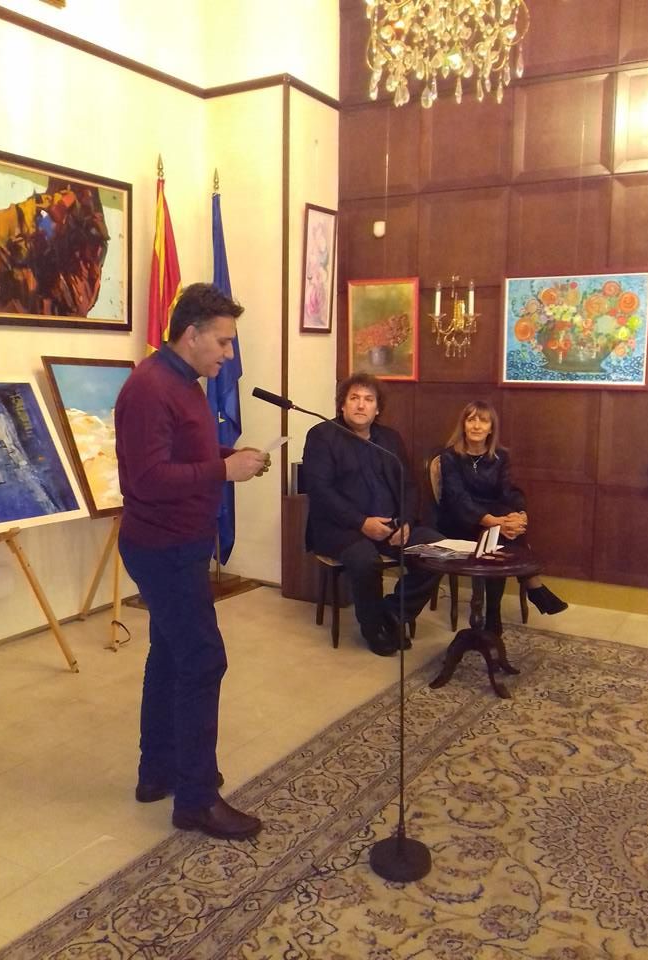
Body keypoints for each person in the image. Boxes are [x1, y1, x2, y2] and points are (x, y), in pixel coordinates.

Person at [115, 282, 269, 839]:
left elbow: (186, 455)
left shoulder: (184, 383)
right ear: (190, 334)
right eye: (223, 342)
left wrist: (230, 456)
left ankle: (158, 771)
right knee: (203, 660)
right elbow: (148, 479)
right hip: (163, 548)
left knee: (171, 655)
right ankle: (196, 801)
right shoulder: (149, 388)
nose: (228, 354)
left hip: (181, 543)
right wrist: (223, 471)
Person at [302, 372, 444, 656]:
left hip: (391, 525)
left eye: (368, 399)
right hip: (341, 529)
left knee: (438, 550)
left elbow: (409, 485)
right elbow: (320, 491)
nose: (360, 405)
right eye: (354, 398)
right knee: (365, 560)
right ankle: (373, 629)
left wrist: (406, 521)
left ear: (377, 408)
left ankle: (391, 613)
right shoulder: (322, 436)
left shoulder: (389, 438)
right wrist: (362, 523)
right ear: (342, 404)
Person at [435, 399, 567, 635]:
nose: (476, 426)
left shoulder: (500, 456)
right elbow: (457, 499)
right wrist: (495, 522)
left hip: (494, 517)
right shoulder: (450, 457)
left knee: (504, 533)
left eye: (483, 421)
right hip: (459, 519)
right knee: (499, 534)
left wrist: (520, 514)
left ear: (491, 428)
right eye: (471, 420)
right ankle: (531, 586)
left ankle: (496, 612)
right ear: (463, 425)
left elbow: (509, 491)